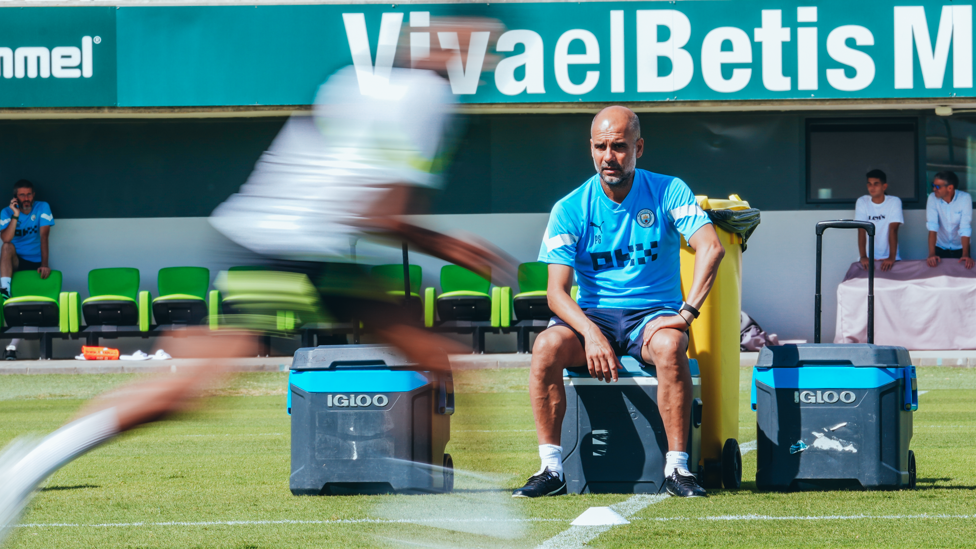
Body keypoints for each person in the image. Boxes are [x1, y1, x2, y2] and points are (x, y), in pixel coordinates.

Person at [0, 18, 514, 545]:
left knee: (435, 358)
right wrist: (450, 245)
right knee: (188, 390)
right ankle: (30, 463)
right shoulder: (427, 101)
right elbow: (382, 214)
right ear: (440, 47)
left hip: (286, 242)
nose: (479, 49)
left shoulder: (356, 81)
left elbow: (359, 202)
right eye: (470, 38)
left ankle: (475, 504)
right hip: (293, 248)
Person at [512, 106, 725, 499]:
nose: (609, 157)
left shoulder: (668, 190)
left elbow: (711, 249)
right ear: (591, 149)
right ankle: (551, 469)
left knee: (670, 344)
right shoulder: (570, 207)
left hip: (654, 314)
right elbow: (556, 292)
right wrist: (591, 334)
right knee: (545, 346)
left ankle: (678, 469)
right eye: (601, 147)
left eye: (620, 147)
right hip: (595, 315)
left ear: (639, 147)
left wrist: (685, 314)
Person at [0, 179, 55, 360]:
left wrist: (45, 264)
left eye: (29, 194)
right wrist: (15, 215)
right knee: (7, 247)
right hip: (14, 262)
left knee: (27, 308)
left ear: (34, 195)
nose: (26, 198)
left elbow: (44, 237)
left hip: (35, 263)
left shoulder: (42, 207)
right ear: (16, 197)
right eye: (22, 195)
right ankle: (4, 290)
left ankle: (11, 348)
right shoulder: (7, 212)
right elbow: (6, 238)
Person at [854, 169, 903, 272]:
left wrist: (891, 257)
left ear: (884, 186)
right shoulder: (862, 201)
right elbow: (861, 230)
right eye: (869, 184)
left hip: (891, 259)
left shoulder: (894, 201)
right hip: (868, 259)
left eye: (876, 184)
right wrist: (863, 256)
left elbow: (893, 230)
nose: (872, 187)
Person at [926, 171, 974, 269]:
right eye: (933, 185)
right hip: (940, 247)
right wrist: (931, 254)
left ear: (950, 188)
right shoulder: (932, 198)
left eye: (938, 186)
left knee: (962, 279)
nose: (934, 189)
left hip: (961, 248)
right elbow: (932, 226)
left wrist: (965, 255)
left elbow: (965, 228)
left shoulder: (965, 198)